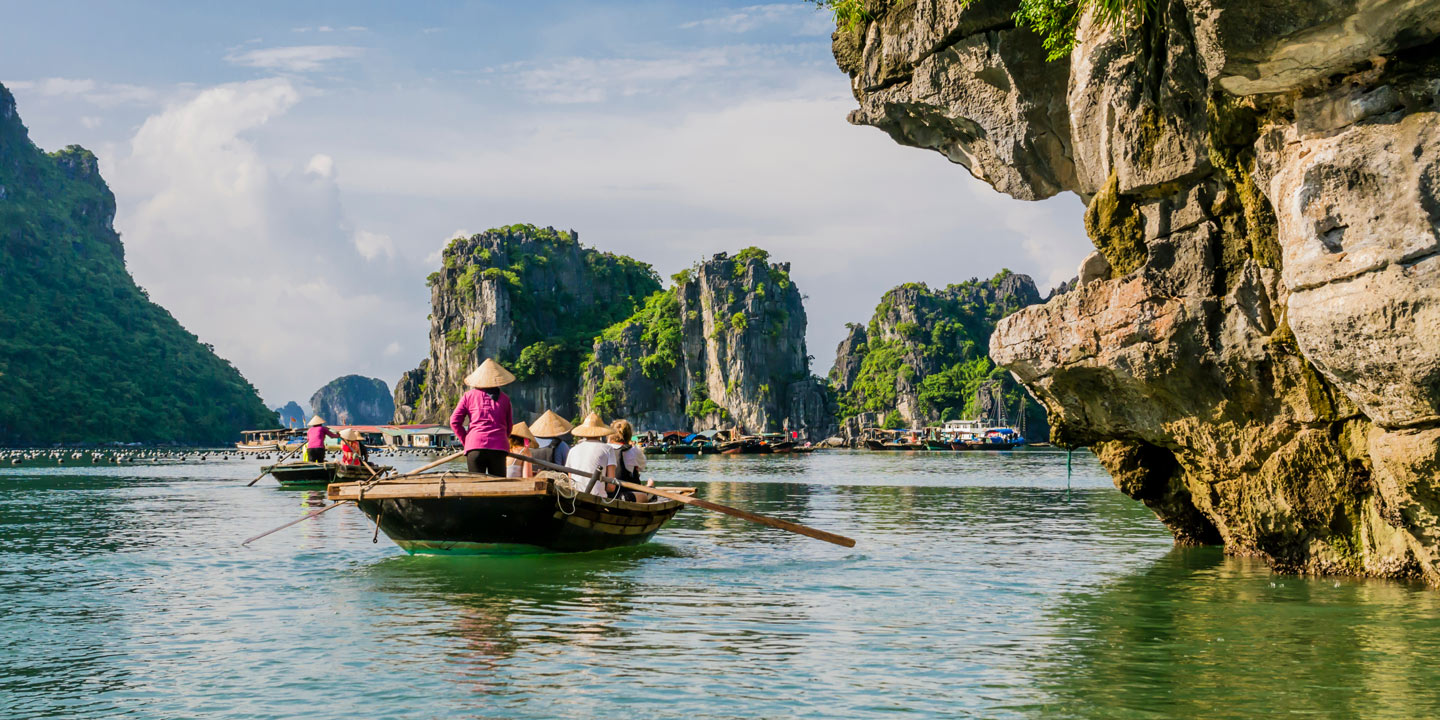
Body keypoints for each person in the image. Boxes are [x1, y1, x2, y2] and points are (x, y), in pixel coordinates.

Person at [449, 358, 515, 476]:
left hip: (475, 446)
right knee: (498, 488)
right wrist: (500, 439)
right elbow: (509, 427)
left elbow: (454, 422)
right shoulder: (505, 399)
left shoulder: (468, 396)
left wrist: (467, 441)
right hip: (498, 448)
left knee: (476, 487)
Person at [565, 412, 618, 497]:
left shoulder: (572, 450)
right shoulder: (608, 449)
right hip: (597, 497)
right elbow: (611, 487)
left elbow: (571, 483)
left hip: (575, 496)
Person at [608, 419, 655, 501]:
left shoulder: (605, 448)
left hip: (607, 493)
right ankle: (650, 486)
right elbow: (642, 466)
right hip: (627, 494)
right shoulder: (633, 450)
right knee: (650, 485)